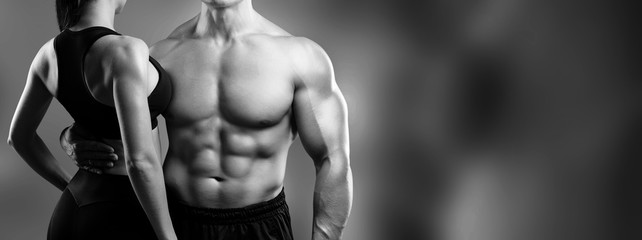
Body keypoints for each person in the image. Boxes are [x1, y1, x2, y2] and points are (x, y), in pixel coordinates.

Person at [61, 0, 353, 239]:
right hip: (176, 222)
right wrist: (71, 137)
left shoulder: (300, 57)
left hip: (260, 226)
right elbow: (114, 127)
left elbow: (332, 158)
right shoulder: (162, 54)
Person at [7, 0, 177, 239]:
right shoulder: (126, 50)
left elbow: (18, 138)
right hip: (124, 212)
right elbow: (139, 161)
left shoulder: (47, 54)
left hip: (76, 205)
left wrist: (69, 185)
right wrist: (167, 235)